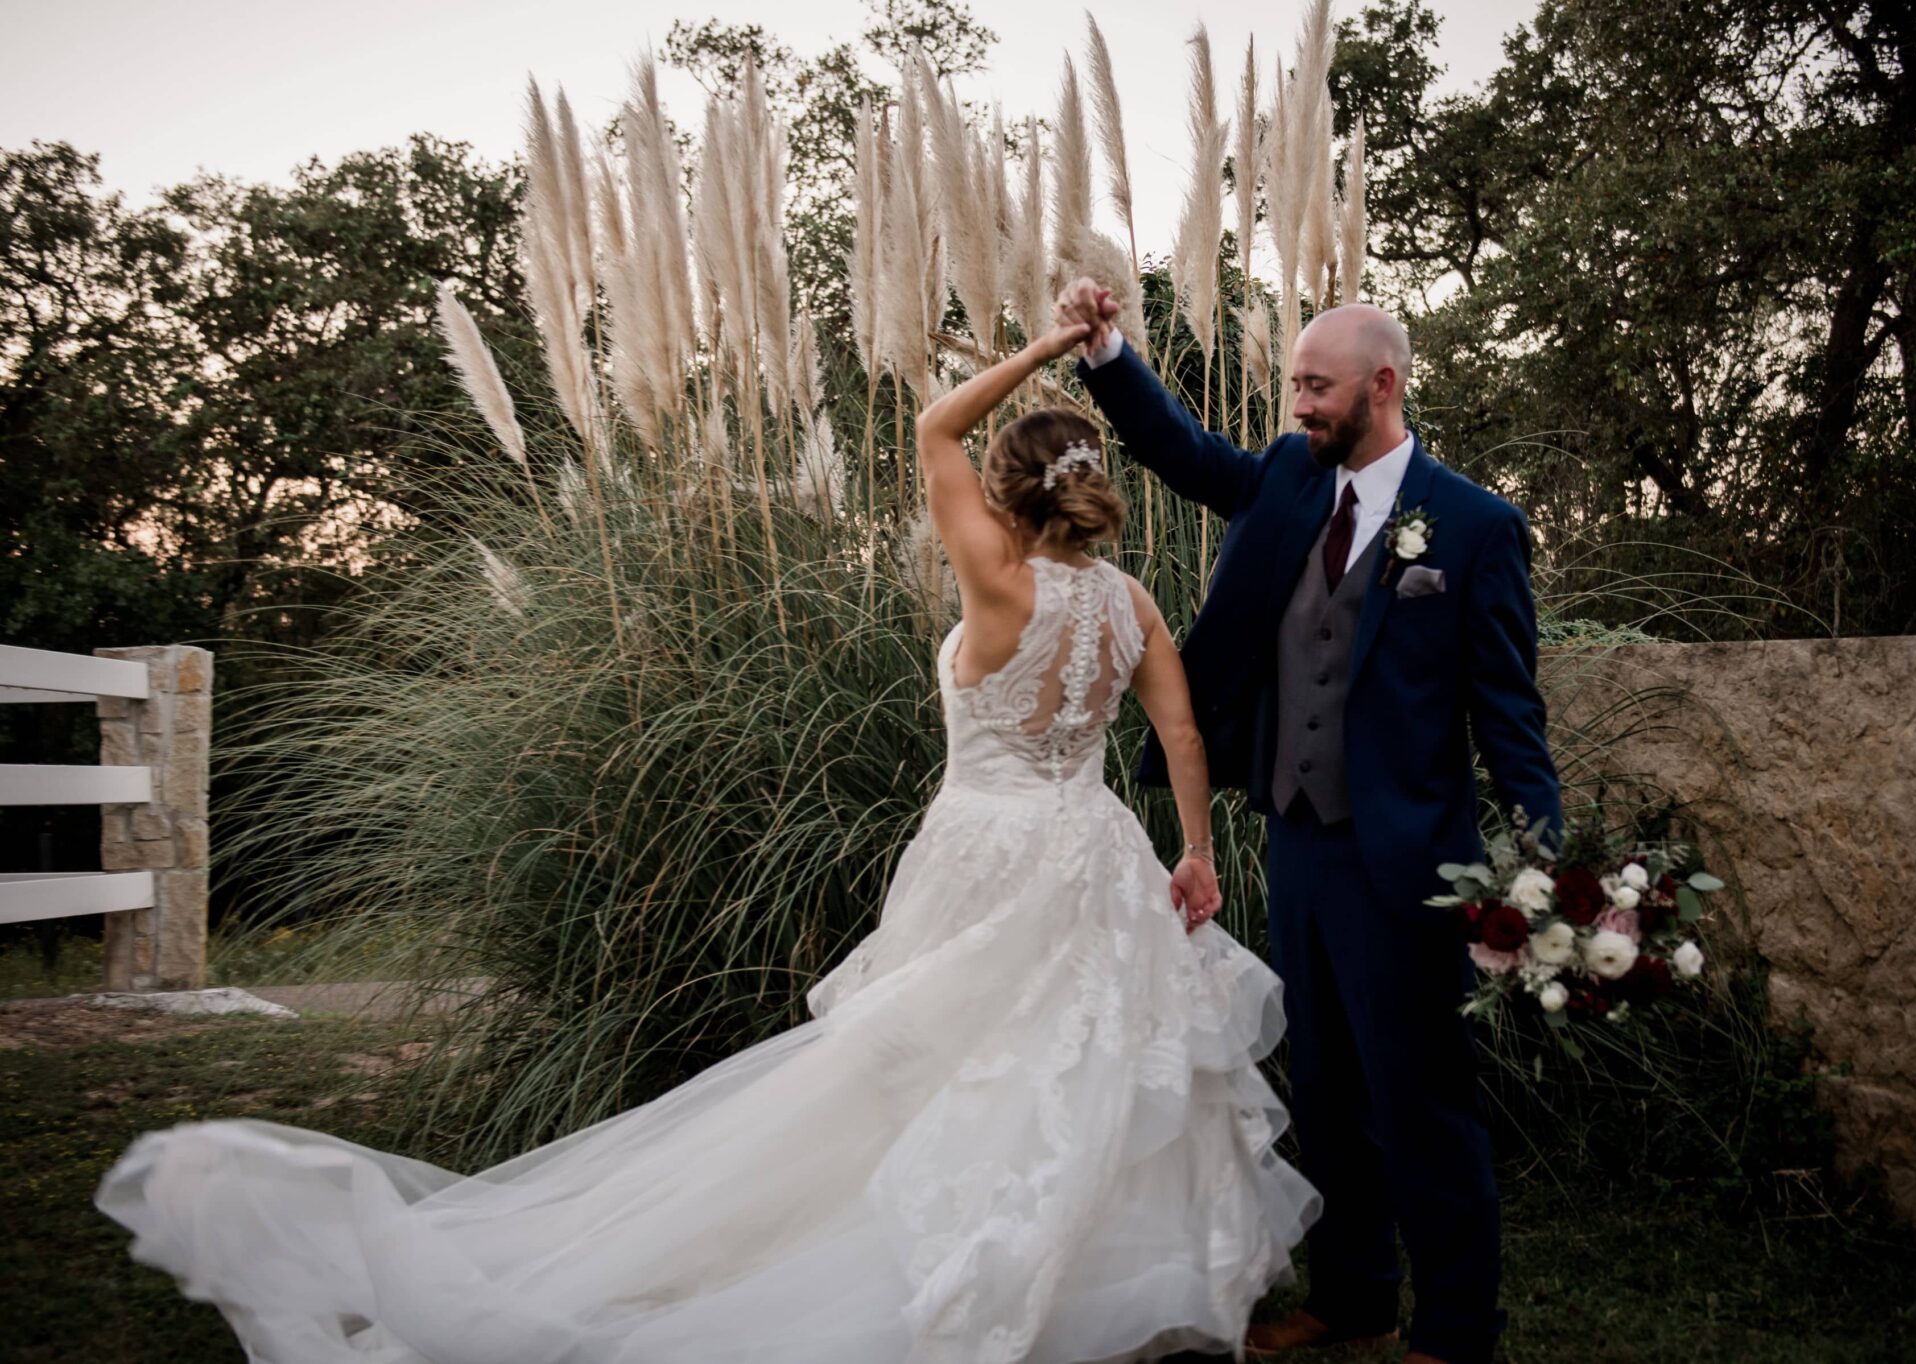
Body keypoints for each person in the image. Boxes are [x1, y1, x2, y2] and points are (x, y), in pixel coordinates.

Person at [94, 319, 1318, 1364]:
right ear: (1094, 489)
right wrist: (1195, 850)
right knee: (1091, 1063)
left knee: (947, 1064)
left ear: (1008, 492)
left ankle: (951, 1259)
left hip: (987, 842)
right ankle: (1110, 1285)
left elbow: (933, 427)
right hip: (1094, 843)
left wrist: (1047, 346)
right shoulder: (1130, 601)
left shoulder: (995, 575)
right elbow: (1180, 729)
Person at [1056, 280, 1563, 1364]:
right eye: (1291, 382)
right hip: (1298, 838)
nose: (1296, 403)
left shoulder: (1473, 527)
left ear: (1379, 387)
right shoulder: (1289, 477)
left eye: (1313, 386)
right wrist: (1106, 353)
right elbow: (1186, 454)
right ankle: (1355, 1295)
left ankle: (1457, 1325)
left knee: (1419, 1093)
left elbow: (1511, 720)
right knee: (1327, 1087)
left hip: (1412, 861)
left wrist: (1539, 874)